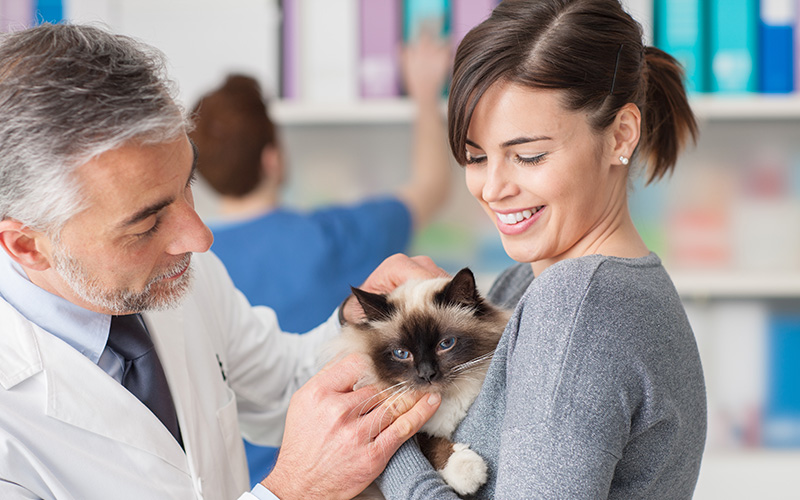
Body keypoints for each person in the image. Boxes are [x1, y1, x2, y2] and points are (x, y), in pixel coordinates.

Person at [0, 22, 445, 500]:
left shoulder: (171, 271)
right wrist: (292, 490)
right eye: (147, 224)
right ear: (27, 246)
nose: (199, 237)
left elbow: (284, 386)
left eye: (188, 184)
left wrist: (357, 321)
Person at [378, 0, 707, 498]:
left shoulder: (578, 307)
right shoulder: (530, 282)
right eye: (475, 156)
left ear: (621, 134)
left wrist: (389, 447)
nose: (491, 188)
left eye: (527, 156)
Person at [188, 35, 452, 485]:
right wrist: (426, 93)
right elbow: (431, 185)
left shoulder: (193, 262)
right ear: (273, 159)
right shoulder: (333, 235)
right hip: (355, 480)